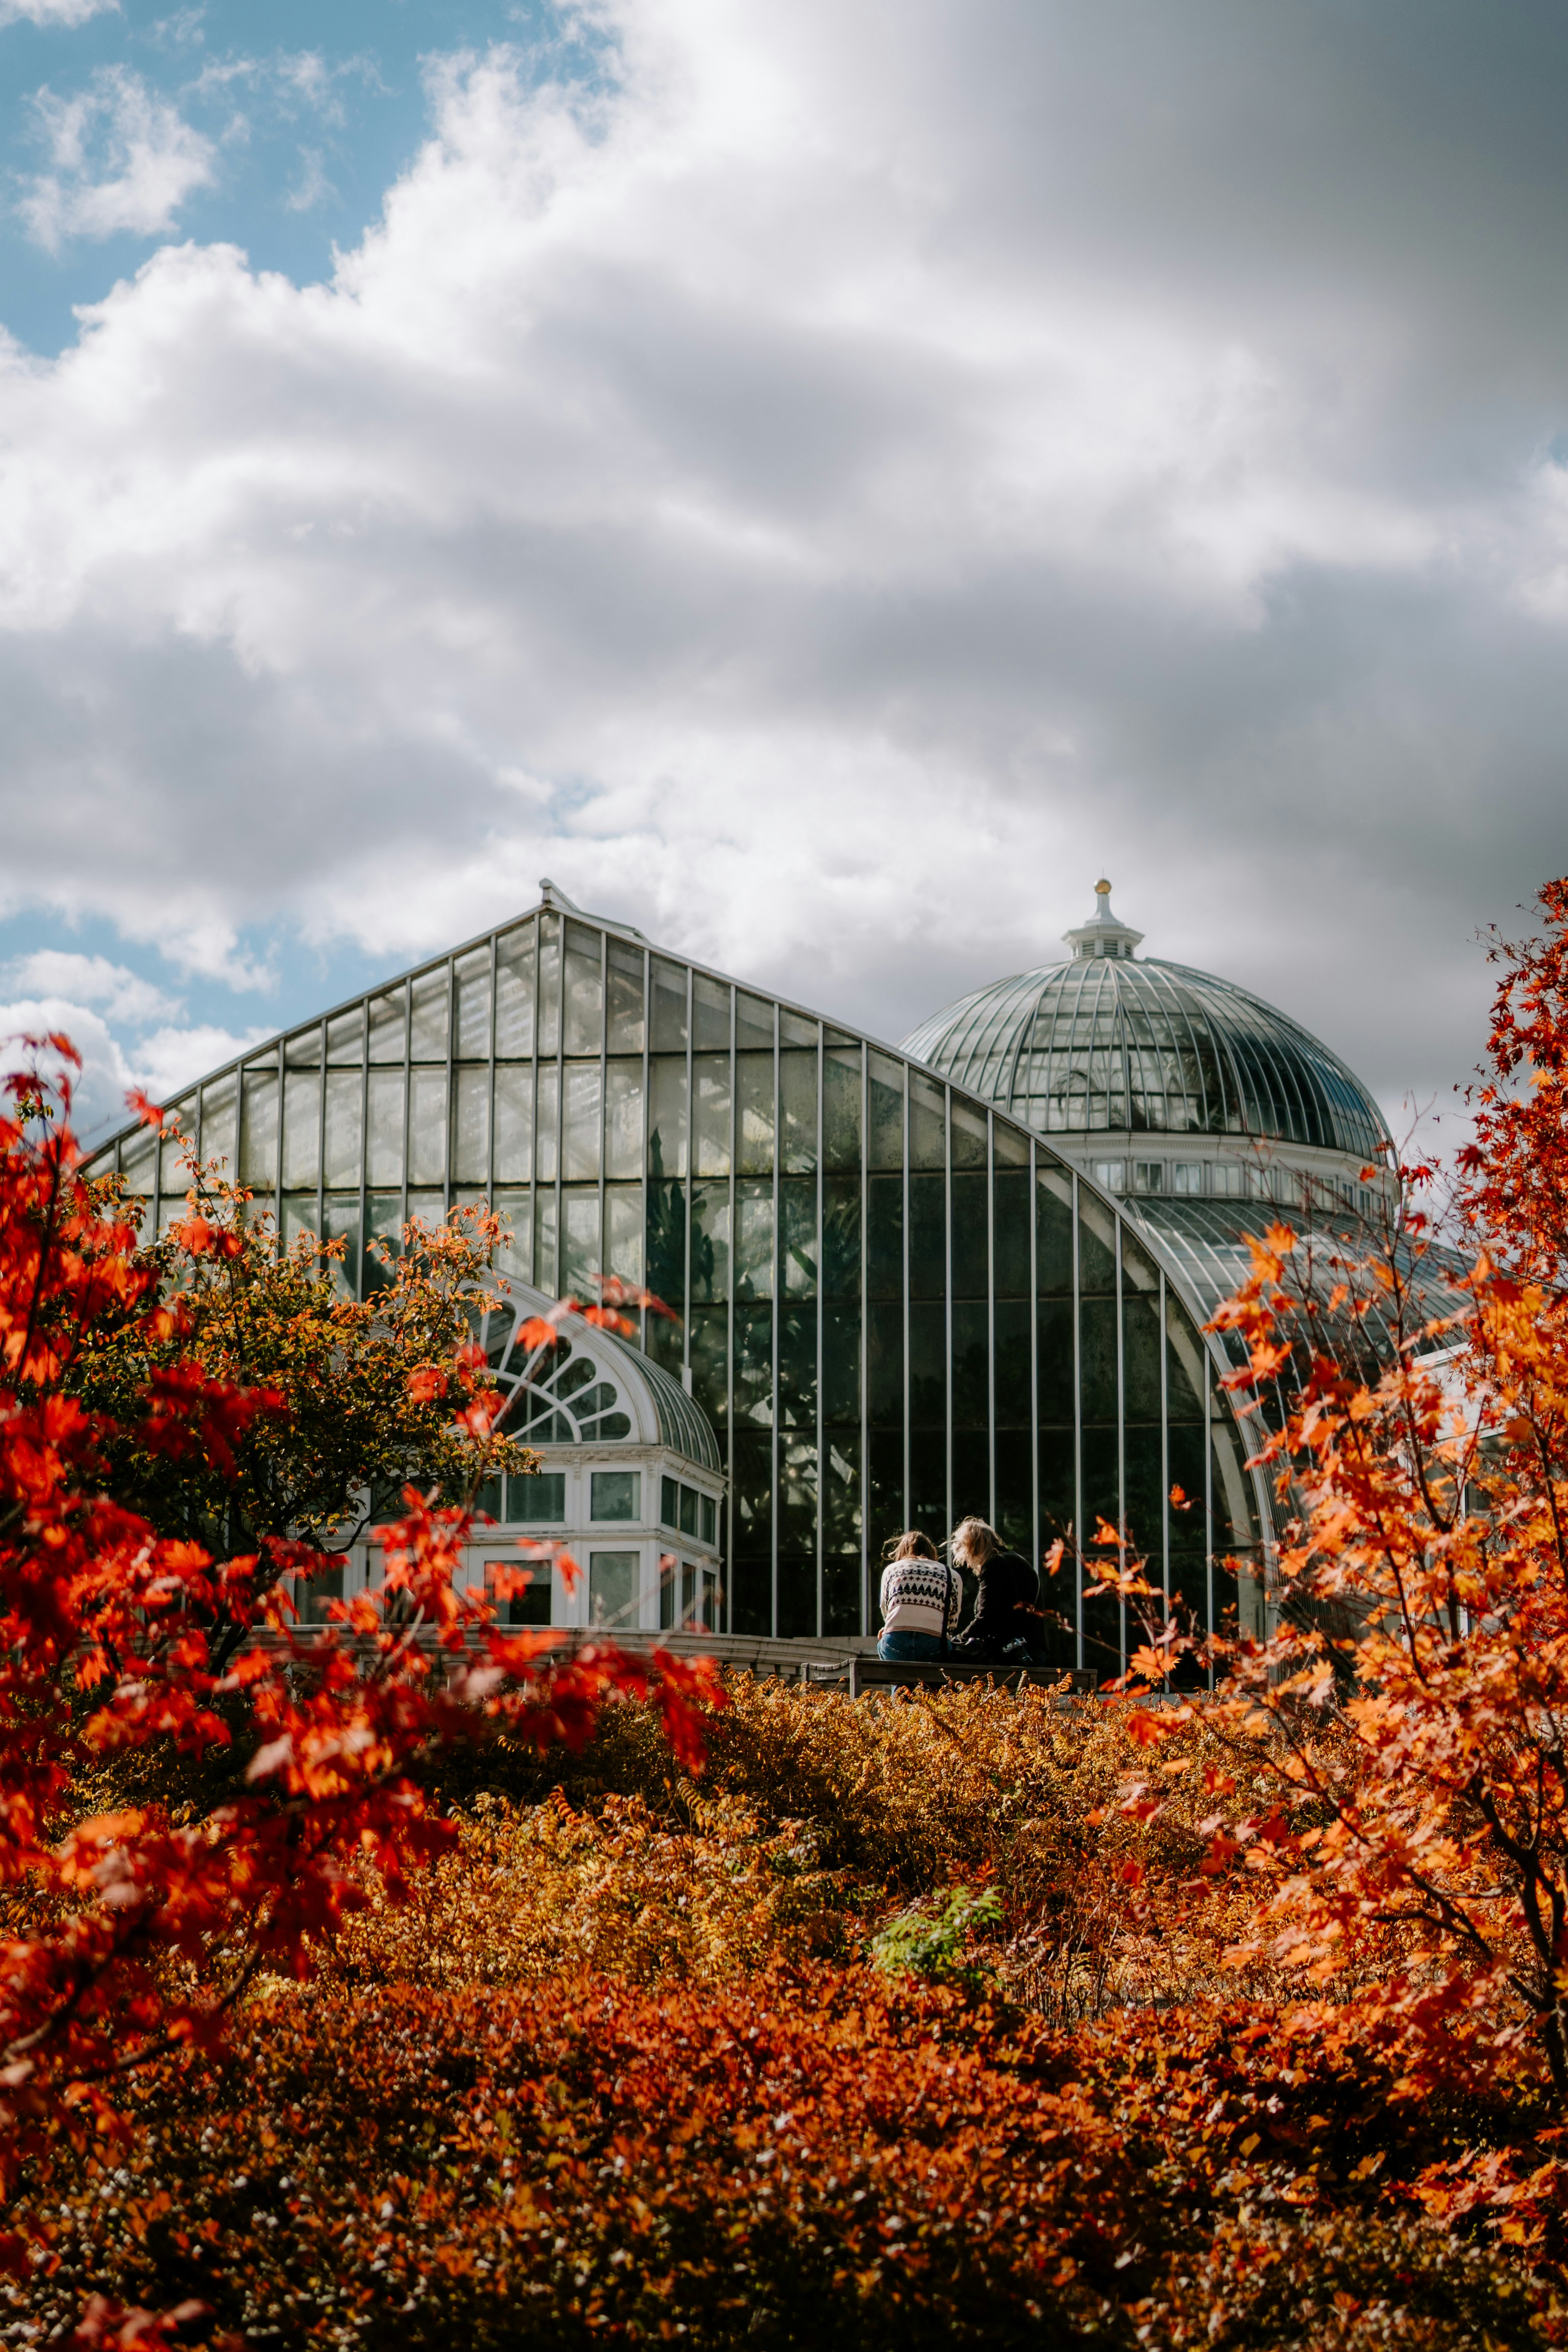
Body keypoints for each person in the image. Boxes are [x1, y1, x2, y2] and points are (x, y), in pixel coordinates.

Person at [949, 1516, 1042, 1661]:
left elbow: (986, 1617)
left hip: (1012, 1654)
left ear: (973, 1547)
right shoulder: (1013, 1560)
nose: (968, 1563)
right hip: (1030, 1649)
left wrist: (957, 1641)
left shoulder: (995, 1566)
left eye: (966, 1555)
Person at [877, 1530, 962, 1663]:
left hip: (896, 1643)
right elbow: (953, 1619)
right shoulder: (951, 1575)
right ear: (931, 1551)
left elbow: (886, 1608)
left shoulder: (892, 1570)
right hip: (935, 1646)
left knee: (883, 1643)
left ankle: (897, 1678)